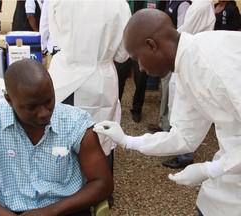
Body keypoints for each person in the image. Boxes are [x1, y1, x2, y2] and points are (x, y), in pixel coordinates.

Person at [94, 8, 241, 216]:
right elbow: (184, 136)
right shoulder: (183, 68)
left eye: (138, 59)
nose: (142, 69)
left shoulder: (212, 62)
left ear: (151, 45)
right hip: (230, 170)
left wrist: (209, 169)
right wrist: (128, 140)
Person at [0, 58, 113, 216]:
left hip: (65, 209)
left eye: (49, 101)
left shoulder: (76, 123)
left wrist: (51, 211)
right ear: (9, 100)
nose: (44, 113)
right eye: (31, 107)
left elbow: (103, 183)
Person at [48, 1, 131, 173]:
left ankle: (64, 189)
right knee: (101, 138)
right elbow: (123, 54)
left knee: (63, 137)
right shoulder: (119, 4)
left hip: (64, 78)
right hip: (99, 80)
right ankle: (101, 192)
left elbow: (56, 39)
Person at [161, 0, 217, 169]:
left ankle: (184, 155)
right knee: (182, 105)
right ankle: (180, 147)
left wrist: (161, 39)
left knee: (185, 108)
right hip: (191, 57)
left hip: (188, 59)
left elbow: (182, 34)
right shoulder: (203, 4)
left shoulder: (199, 6)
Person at [116, 0, 166, 123]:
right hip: (124, 45)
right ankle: (116, 108)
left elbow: (161, 20)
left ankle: (137, 109)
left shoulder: (158, 1)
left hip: (143, 46)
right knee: (119, 79)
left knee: (141, 80)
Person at [147, 0, 191, 132]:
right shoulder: (171, 2)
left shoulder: (183, 4)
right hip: (166, 53)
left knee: (169, 90)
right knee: (166, 89)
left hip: (173, 55)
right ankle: (163, 122)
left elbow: (181, 32)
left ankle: (167, 126)